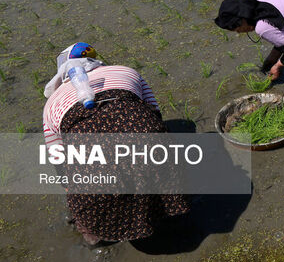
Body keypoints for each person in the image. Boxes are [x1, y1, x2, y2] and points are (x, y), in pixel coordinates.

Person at [42, 42, 189, 245]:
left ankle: (96, 234)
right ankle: (169, 210)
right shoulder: (125, 71)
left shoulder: (51, 103)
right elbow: (155, 113)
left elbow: (57, 155)